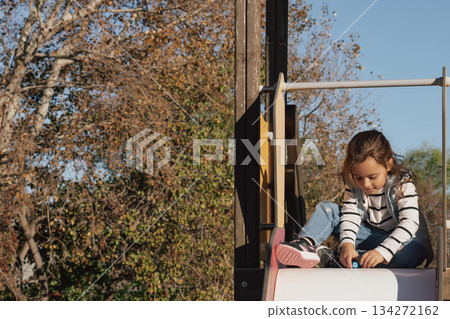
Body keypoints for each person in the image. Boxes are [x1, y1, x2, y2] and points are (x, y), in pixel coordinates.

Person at [276, 130, 433, 269]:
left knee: (413, 253)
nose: (365, 184)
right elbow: (350, 215)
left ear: (389, 165)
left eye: (372, 177)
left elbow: (410, 222)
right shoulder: (353, 184)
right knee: (327, 209)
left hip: (399, 242)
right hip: (365, 235)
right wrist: (347, 245)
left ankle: (334, 260)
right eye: (358, 177)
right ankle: (306, 245)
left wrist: (382, 251)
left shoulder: (402, 184)